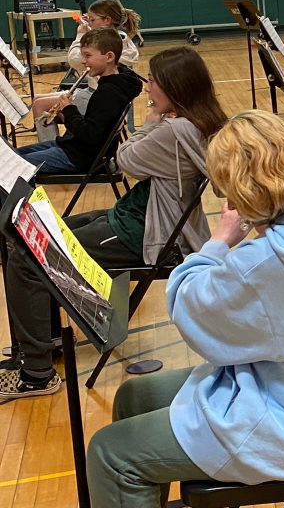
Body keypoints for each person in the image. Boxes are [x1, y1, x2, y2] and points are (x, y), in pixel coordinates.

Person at [85, 110, 284, 508]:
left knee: (111, 454)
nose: (228, 201)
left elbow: (189, 309)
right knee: (134, 398)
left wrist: (218, 241)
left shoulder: (271, 264)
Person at [0, 47, 225, 398]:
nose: (147, 88)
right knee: (46, 234)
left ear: (175, 88)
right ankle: (49, 338)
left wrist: (148, 126)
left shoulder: (173, 131)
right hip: (143, 214)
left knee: (28, 258)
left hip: (152, 233)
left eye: (153, 81)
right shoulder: (194, 120)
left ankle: (37, 372)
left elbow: (124, 161)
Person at [16, 27, 143, 175]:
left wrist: (69, 110)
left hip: (80, 158)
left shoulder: (109, 92)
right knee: (13, 155)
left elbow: (89, 135)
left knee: (14, 167)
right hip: (74, 147)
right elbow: (96, 124)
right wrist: (63, 113)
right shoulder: (119, 79)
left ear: (109, 57)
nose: (83, 61)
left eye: (87, 55)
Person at [31, 0, 142, 141]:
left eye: (92, 19)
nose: (89, 22)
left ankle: (53, 150)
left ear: (107, 20)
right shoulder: (119, 38)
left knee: (40, 105)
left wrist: (81, 35)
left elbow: (74, 61)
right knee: (37, 98)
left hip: (96, 97)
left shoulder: (107, 44)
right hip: (92, 91)